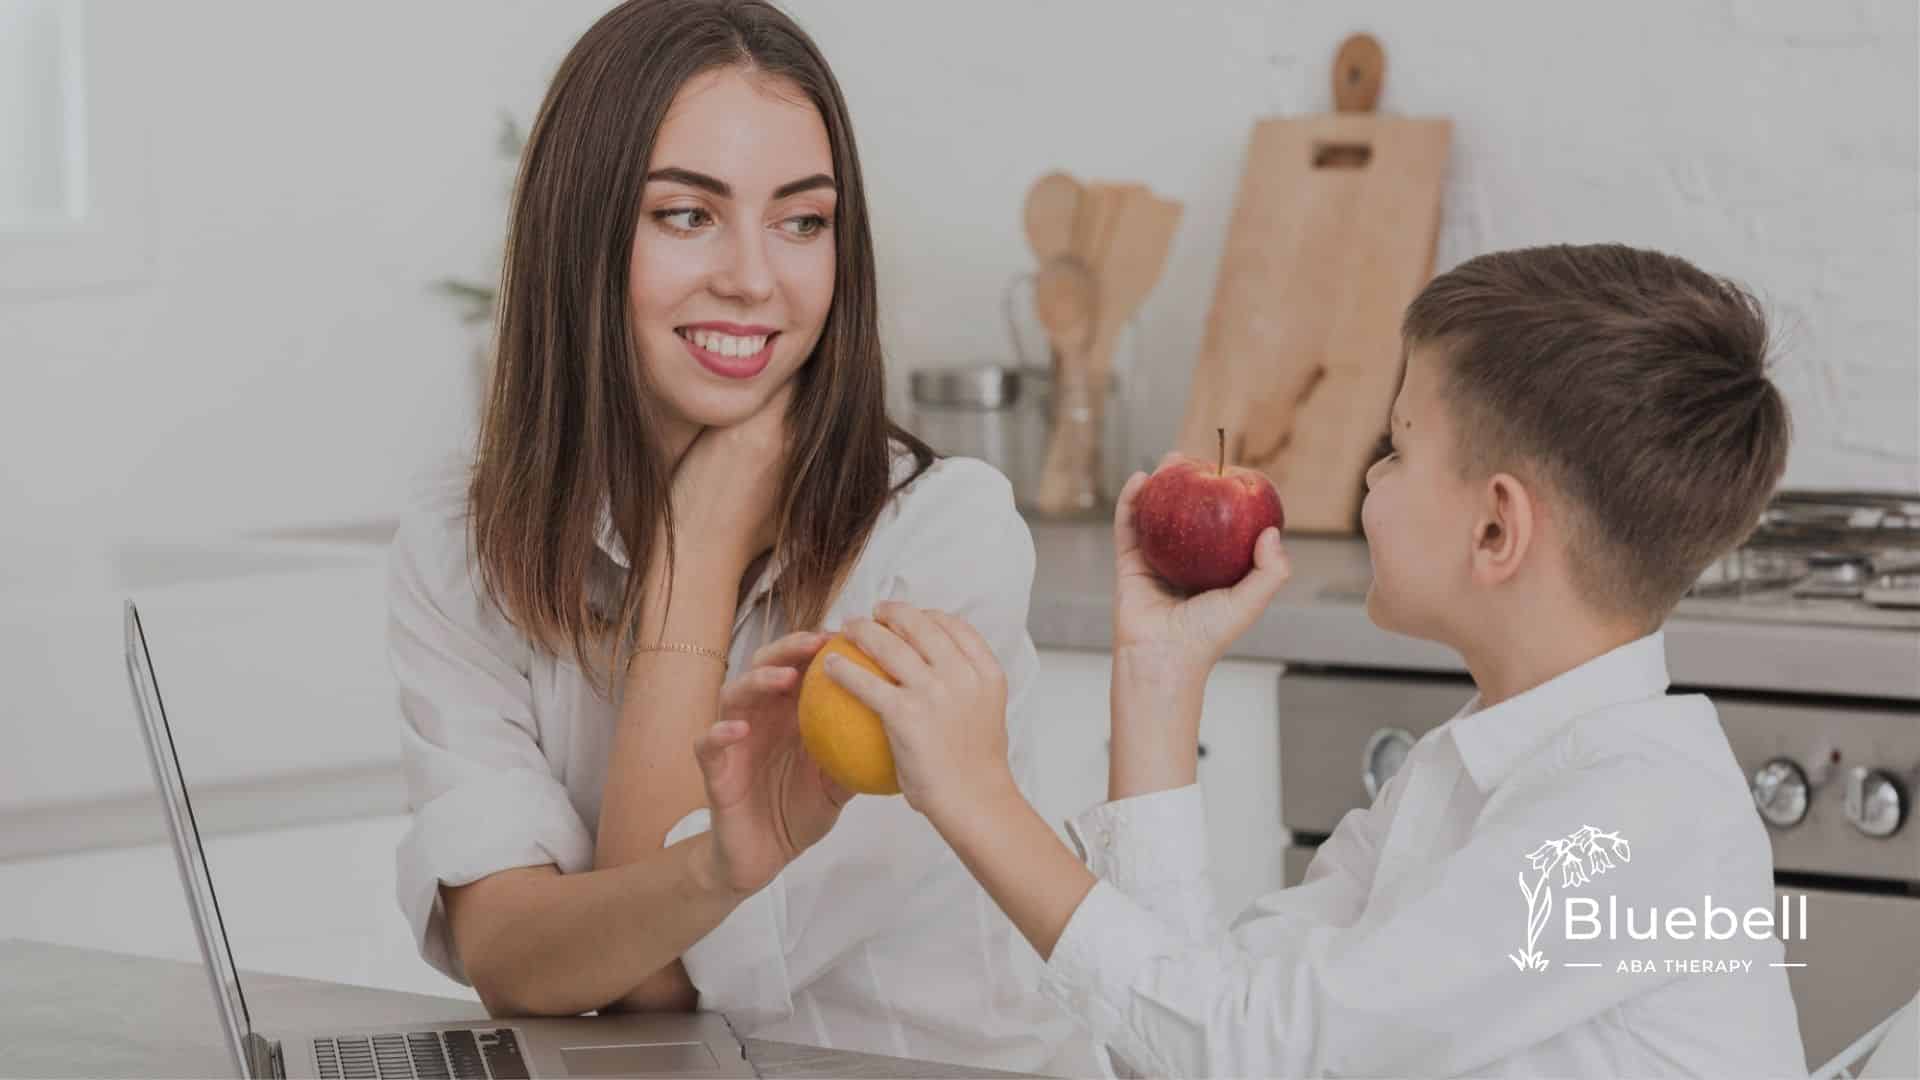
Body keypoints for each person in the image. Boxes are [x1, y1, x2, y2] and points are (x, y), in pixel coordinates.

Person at [735, 243, 1809, 1076]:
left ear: (1496, 530)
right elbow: (1191, 1038)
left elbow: (1250, 1054)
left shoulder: (1631, 826)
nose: (1368, 479)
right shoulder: (1465, 773)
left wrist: (976, 799)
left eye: (1397, 448)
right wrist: (1159, 681)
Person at [386, 1, 1092, 1071]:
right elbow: (509, 956)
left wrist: (695, 553)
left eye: (802, 222)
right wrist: (697, 540)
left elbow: (650, 985)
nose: (755, 279)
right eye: (687, 215)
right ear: (580, 234)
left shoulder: (940, 542)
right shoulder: (465, 541)